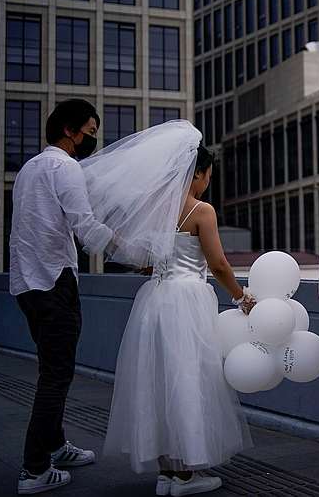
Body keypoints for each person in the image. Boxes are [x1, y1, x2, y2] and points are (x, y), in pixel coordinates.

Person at [102, 139, 255, 497]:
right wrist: (241, 296)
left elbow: (146, 260)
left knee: (156, 380)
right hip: (187, 299)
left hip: (154, 299)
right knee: (188, 378)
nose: (207, 184)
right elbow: (218, 264)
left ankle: (167, 472)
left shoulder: (156, 209)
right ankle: (187, 475)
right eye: (208, 176)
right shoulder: (202, 211)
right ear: (197, 174)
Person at [11, 99, 113, 495]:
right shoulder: (65, 167)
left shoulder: (29, 169)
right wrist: (134, 253)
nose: (91, 139)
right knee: (56, 377)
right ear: (69, 131)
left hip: (27, 283)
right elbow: (84, 226)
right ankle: (34, 470)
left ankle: (54, 446)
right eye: (89, 132)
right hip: (55, 282)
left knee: (50, 370)